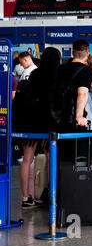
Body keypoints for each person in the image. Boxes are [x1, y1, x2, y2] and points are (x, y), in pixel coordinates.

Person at [18, 47, 61, 209]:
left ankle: (26, 198)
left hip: (30, 121)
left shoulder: (35, 74)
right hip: (50, 122)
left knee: (27, 159)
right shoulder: (58, 76)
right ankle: (52, 195)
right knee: (52, 158)